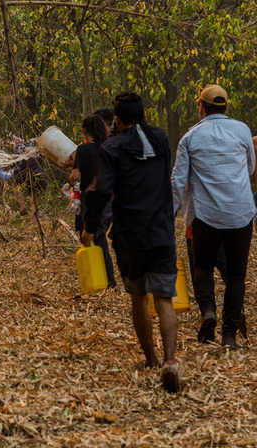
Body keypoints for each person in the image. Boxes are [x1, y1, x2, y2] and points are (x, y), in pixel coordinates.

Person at [81, 92, 180, 393]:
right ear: (145, 115)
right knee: (164, 299)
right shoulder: (161, 138)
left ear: (117, 120)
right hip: (161, 230)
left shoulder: (111, 147)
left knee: (139, 298)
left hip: (130, 234)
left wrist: (90, 227)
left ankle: (150, 359)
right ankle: (171, 362)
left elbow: (101, 191)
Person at [171, 84, 255, 349]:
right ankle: (229, 336)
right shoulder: (242, 130)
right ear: (226, 107)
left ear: (200, 107)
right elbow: (251, 167)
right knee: (237, 275)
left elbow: (178, 181)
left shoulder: (190, 138)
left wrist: (167, 214)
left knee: (203, 266)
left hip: (206, 216)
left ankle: (208, 311)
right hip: (241, 213)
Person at [69, 114, 116, 289]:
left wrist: (71, 182)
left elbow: (74, 176)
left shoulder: (83, 149)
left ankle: (107, 281)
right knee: (99, 236)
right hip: (110, 198)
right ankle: (103, 279)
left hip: (92, 198)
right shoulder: (108, 147)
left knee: (95, 237)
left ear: (84, 131)